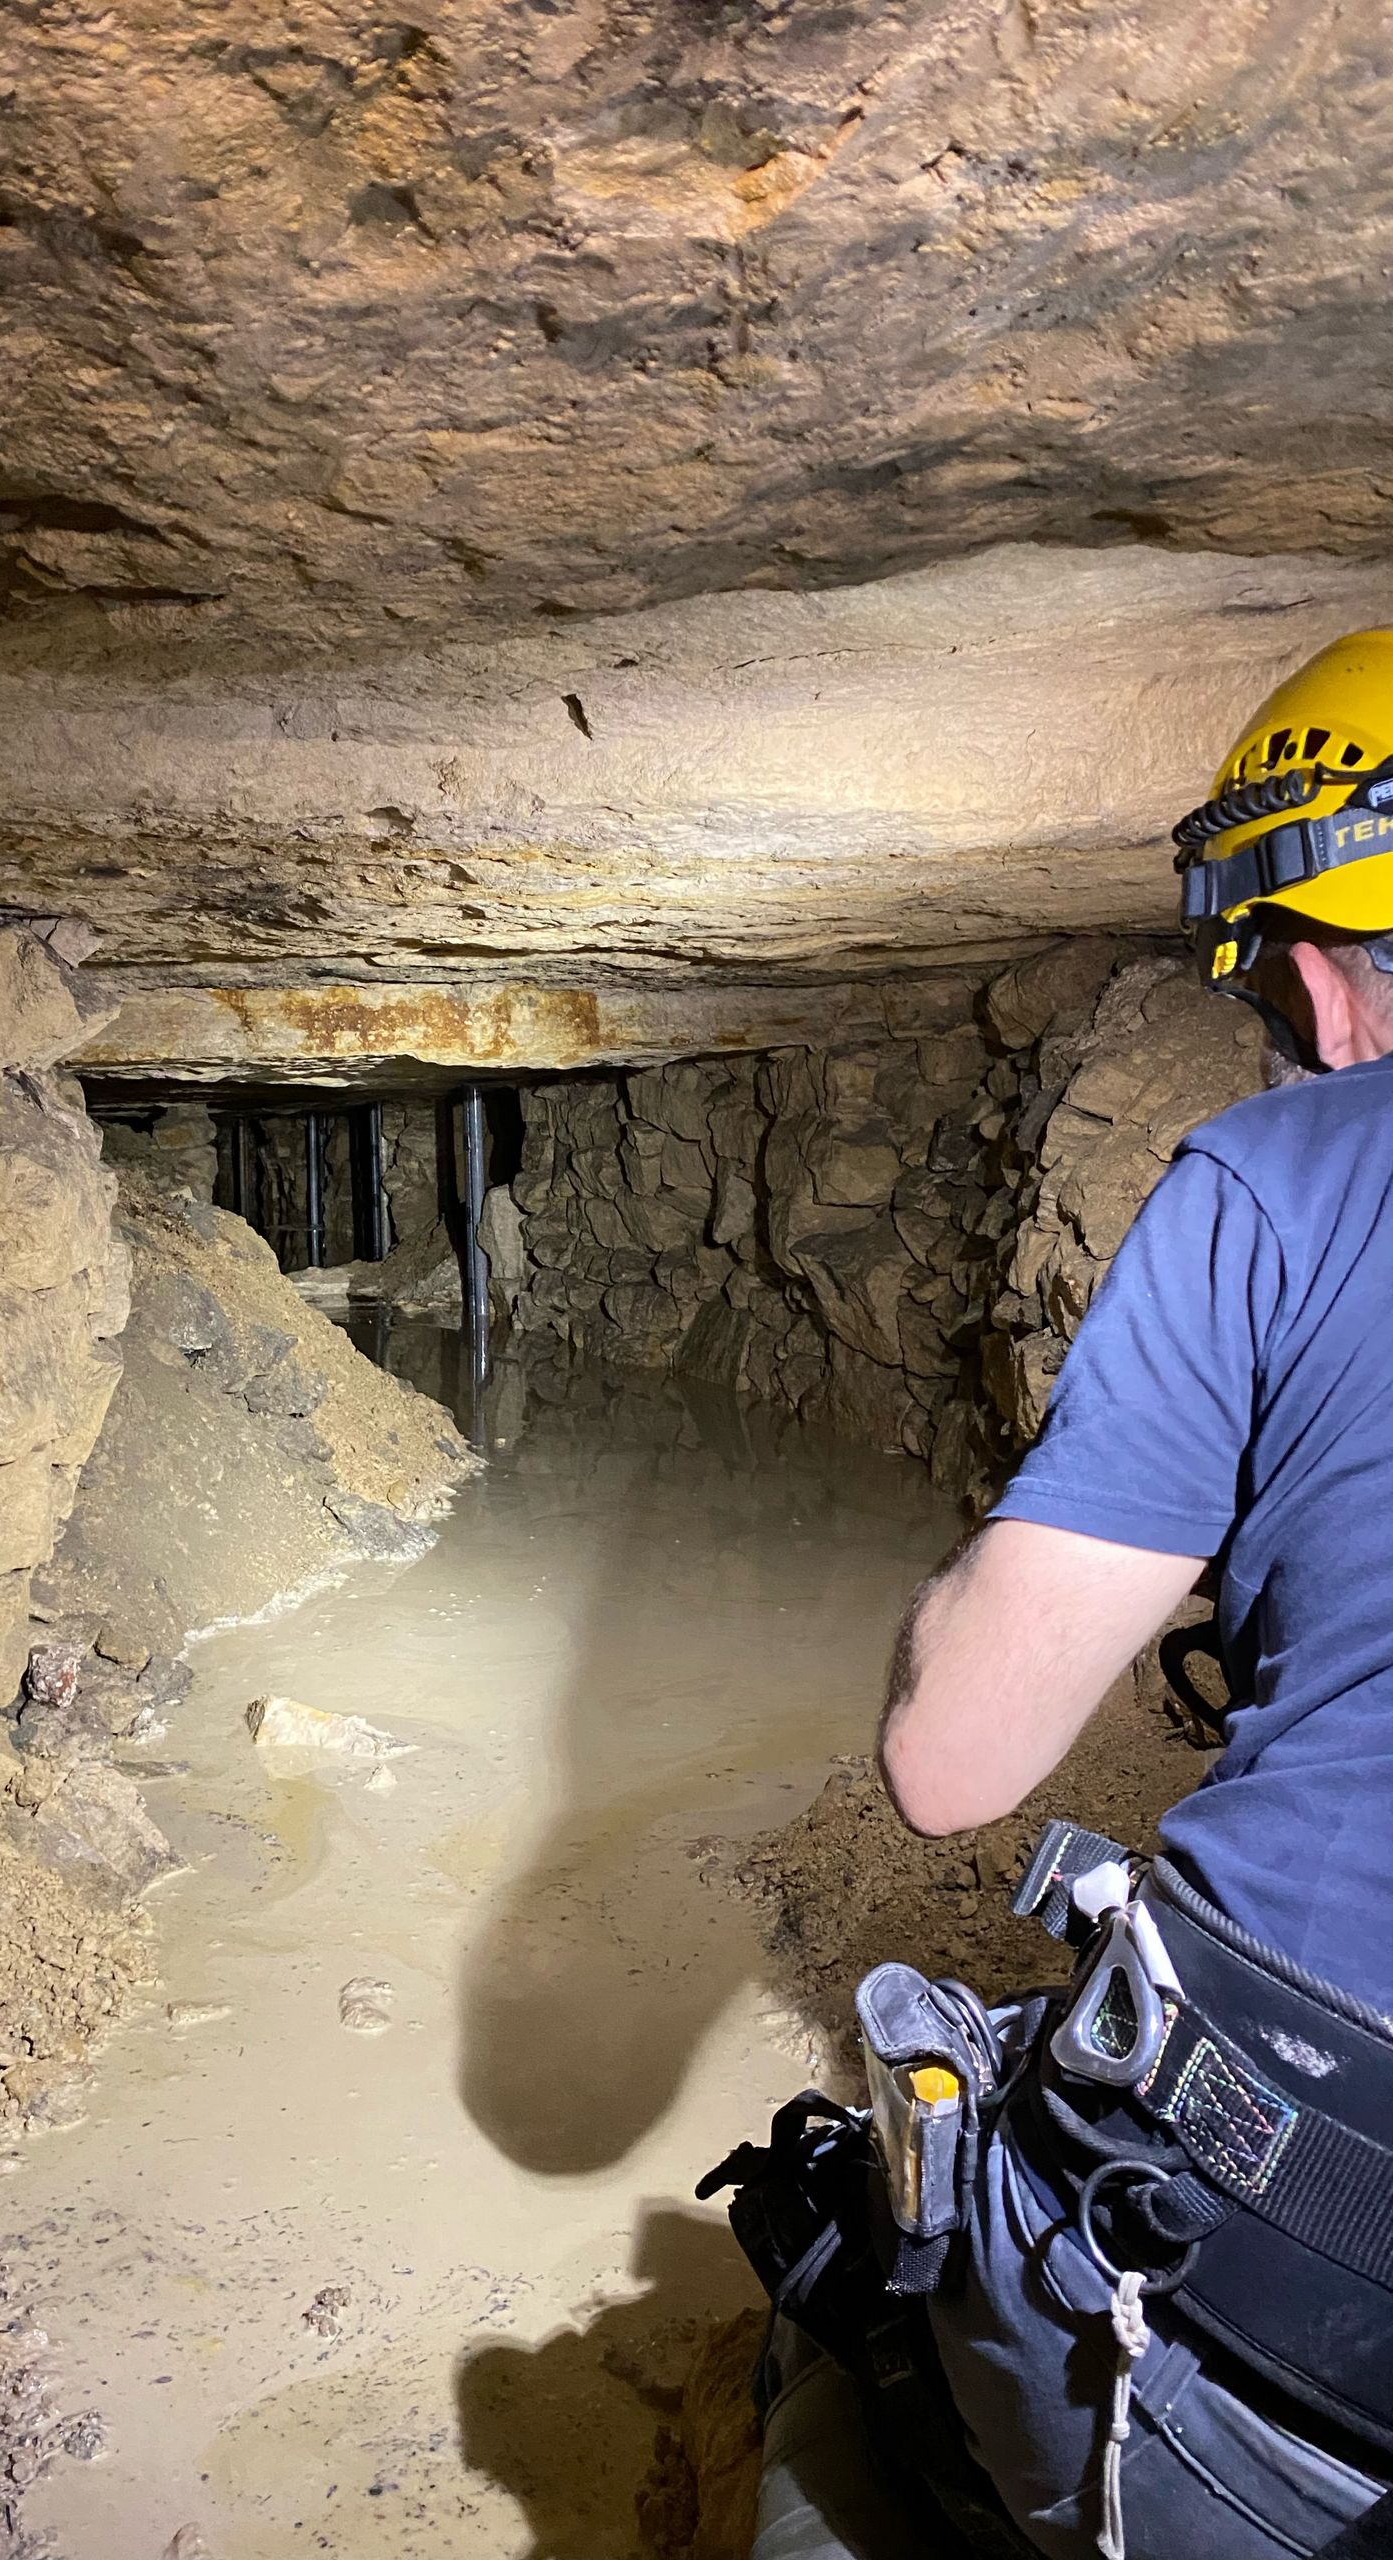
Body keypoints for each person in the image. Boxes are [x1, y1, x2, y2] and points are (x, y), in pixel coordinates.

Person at [735, 632, 1393, 2560]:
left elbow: (954, 1767)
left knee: (855, 2271)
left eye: (1266, 973)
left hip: (1308, 2215)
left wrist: (957, 1599)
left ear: (1311, 954)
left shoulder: (1284, 1175)